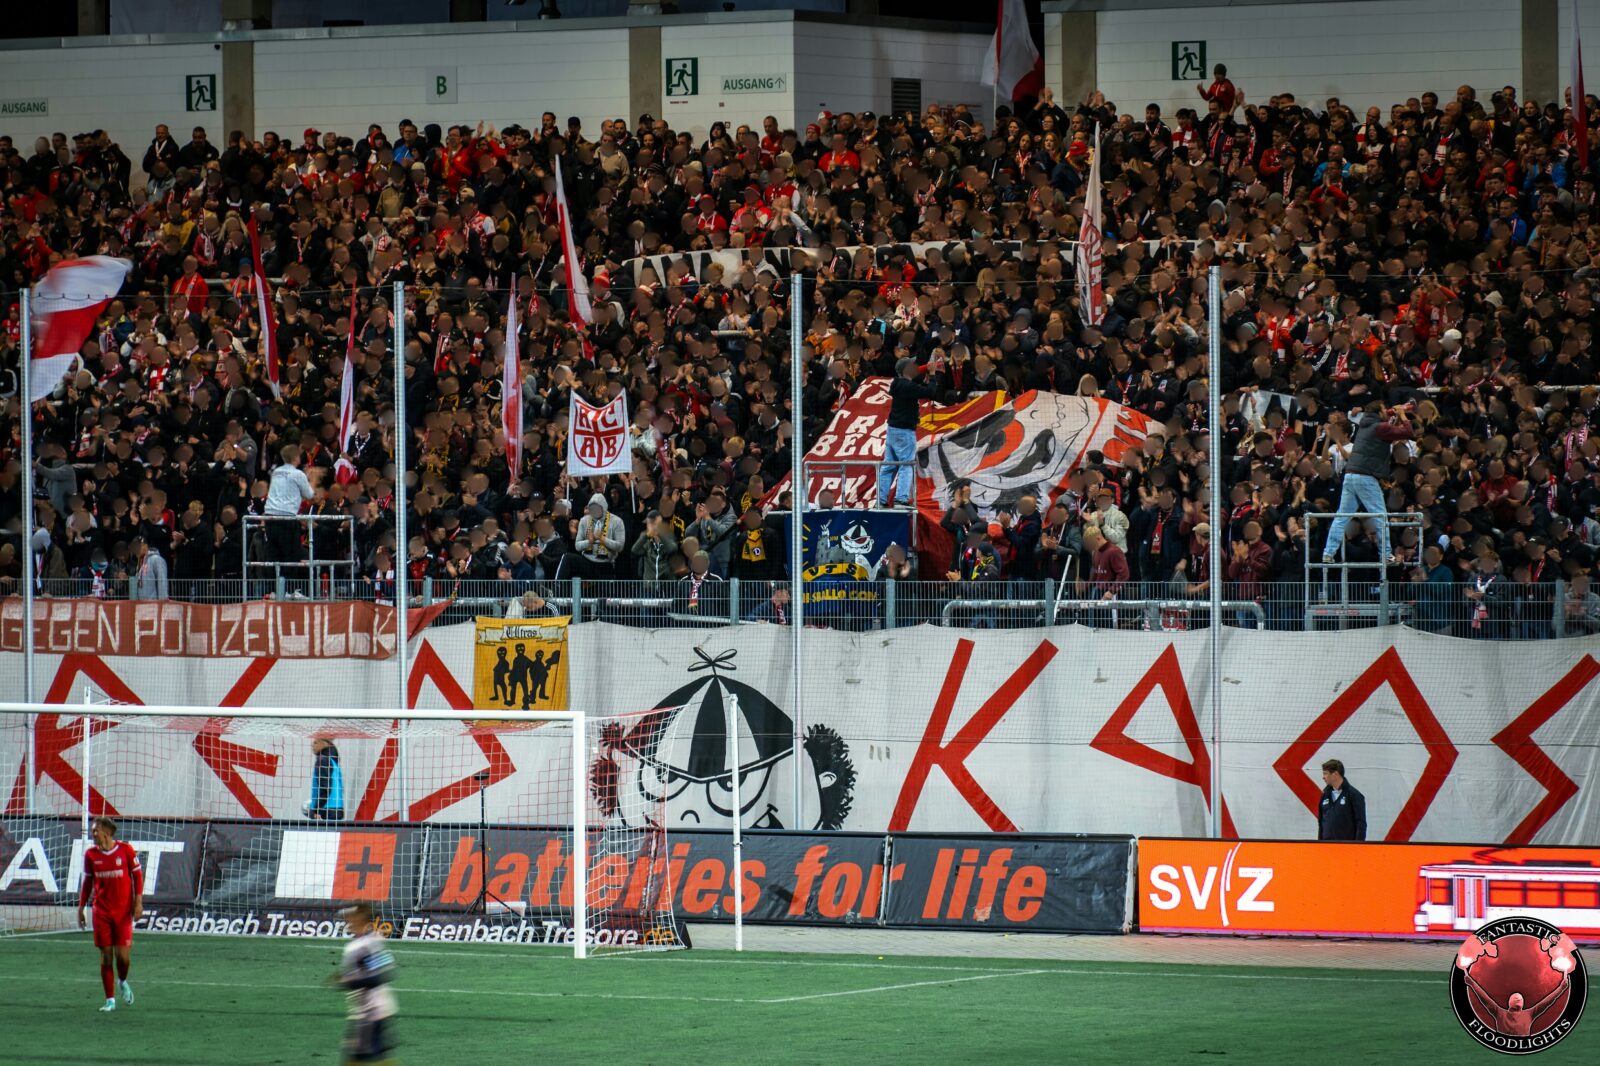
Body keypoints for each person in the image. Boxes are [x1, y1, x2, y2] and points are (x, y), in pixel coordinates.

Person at [1321, 403, 1414, 567]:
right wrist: (1403, 415)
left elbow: (1389, 432)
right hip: (1365, 476)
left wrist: (1396, 417)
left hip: (1350, 475)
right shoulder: (1378, 426)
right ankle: (1386, 555)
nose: (1387, 411)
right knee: (1380, 516)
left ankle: (1328, 552)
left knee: (1342, 516)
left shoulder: (1366, 426)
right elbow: (1408, 432)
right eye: (1384, 409)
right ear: (1379, 412)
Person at [76, 815, 142, 1013]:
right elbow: (88, 883)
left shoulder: (126, 850)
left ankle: (122, 981)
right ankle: (110, 1000)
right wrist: (81, 908)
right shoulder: (91, 855)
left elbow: (137, 876)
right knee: (106, 956)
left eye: (95, 830)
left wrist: (138, 903)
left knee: (123, 957)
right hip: (101, 911)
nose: (93, 834)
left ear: (106, 832)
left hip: (122, 912)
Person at [329, 902, 398, 1066]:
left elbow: (380, 976)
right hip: (374, 1010)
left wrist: (348, 982)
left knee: (356, 1057)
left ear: (360, 919)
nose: (348, 922)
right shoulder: (370, 941)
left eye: (351, 918)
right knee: (378, 1053)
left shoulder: (364, 945)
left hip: (371, 1012)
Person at [879, 357, 937, 508]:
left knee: (889, 466)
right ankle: (901, 500)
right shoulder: (908, 386)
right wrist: (932, 375)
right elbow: (930, 392)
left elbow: (917, 386)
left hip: (892, 429)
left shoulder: (897, 383)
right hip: (905, 431)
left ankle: (881, 500)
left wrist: (925, 374)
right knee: (906, 464)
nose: (915, 366)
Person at [265, 443, 315, 571]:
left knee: (274, 556)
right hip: (286, 519)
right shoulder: (298, 474)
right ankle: (290, 590)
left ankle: (274, 590)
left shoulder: (276, 472)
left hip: (270, 519)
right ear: (296, 457)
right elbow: (309, 494)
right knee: (290, 557)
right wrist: (311, 479)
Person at [1316, 758, 1367, 840]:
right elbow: (1321, 823)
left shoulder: (1354, 795)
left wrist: (1358, 846)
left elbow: (1360, 823)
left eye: (1325, 773)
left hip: (1346, 847)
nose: (1323, 777)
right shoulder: (1324, 795)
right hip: (1326, 847)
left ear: (1335, 774)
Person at [307, 737, 346, 821]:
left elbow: (325, 788)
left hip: (326, 811)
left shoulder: (323, 760)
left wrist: (317, 810)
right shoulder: (333, 760)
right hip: (337, 808)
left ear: (325, 744)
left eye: (316, 742)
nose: (312, 745)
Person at [129, 535, 168, 600]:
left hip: (153, 605)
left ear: (143, 545)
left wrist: (162, 603)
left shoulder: (157, 559)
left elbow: (162, 582)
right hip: (142, 605)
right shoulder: (140, 562)